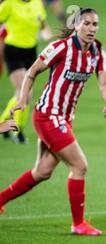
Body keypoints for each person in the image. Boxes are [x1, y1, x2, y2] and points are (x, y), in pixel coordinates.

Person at [0, 8, 106, 236]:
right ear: (76, 25)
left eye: (95, 24)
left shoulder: (98, 51)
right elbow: (32, 72)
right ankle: (78, 223)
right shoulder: (61, 47)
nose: (92, 29)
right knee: (80, 166)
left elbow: (104, 81)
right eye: (87, 24)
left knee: (42, 172)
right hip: (47, 115)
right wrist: (23, 99)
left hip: (64, 118)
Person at [0, 0, 54, 144]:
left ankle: (3, 121)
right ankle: (18, 132)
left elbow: (43, 24)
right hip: (13, 51)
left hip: (31, 52)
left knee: (22, 94)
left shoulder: (37, 3)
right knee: (25, 94)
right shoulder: (9, 4)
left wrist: (48, 36)